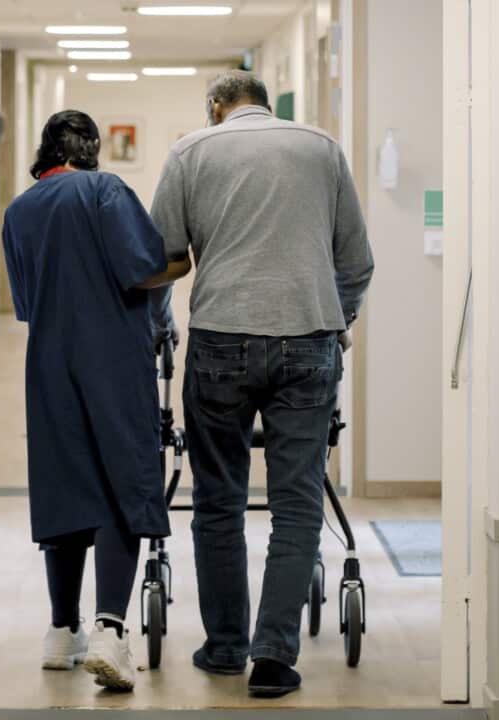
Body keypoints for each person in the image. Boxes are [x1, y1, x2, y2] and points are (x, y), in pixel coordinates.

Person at [149, 70, 374, 697]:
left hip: (221, 337)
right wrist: (335, 322)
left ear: (217, 107)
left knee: (218, 499)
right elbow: (355, 262)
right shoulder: (321, 148)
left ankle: (224, 648)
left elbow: (163, 254)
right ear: (267, 106)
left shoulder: (192, 151)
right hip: (309, 337)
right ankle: (274, 657)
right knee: (297, 501)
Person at [1, 110, 191, 692]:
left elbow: (27, 303)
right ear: (92, 151)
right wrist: (185, 258)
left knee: (64, 481)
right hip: (111, 359)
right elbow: (142, 271)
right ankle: (111, 627)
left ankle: (62, 631)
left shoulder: (20, 210)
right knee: (119, 481)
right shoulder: (104, 189)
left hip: (49, 362)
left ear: (46, 152)